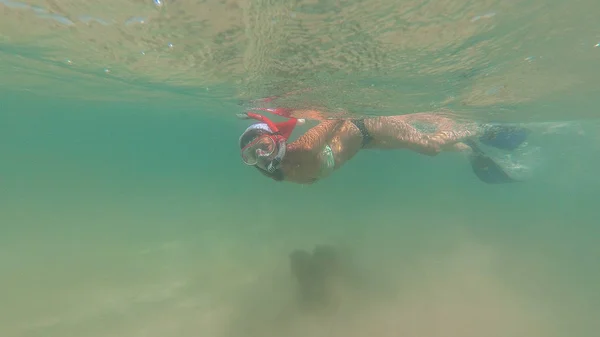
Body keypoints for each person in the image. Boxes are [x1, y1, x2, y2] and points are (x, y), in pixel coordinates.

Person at [237, 107, 529, 184]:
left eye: (261, 146)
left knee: (428, 147)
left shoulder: (304, 147)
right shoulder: (282, 173)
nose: (260, 156)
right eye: (251, 156)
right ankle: (467, 148)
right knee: (417, 144)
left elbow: (341, 115)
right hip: (365, 143)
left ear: (277, 139)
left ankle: (479, 129)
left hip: (367, 126)